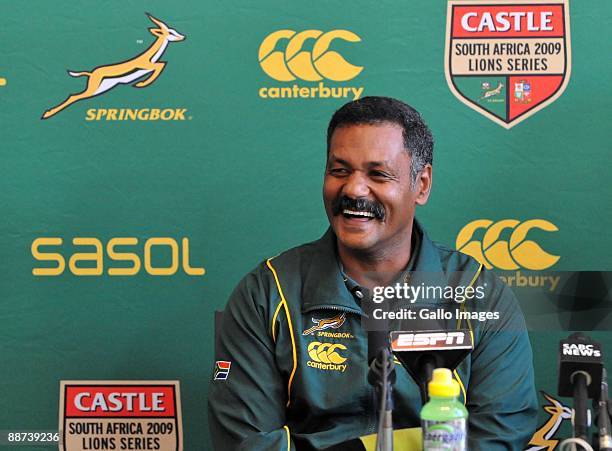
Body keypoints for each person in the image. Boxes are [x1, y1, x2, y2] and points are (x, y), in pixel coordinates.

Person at [208, 96, 538, 450]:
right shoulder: (267, 292)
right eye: (339, 170)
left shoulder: (478, 293)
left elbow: (498, 436)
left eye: (378, 174)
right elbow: (245, 443)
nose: (353, 189)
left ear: (422, 184)